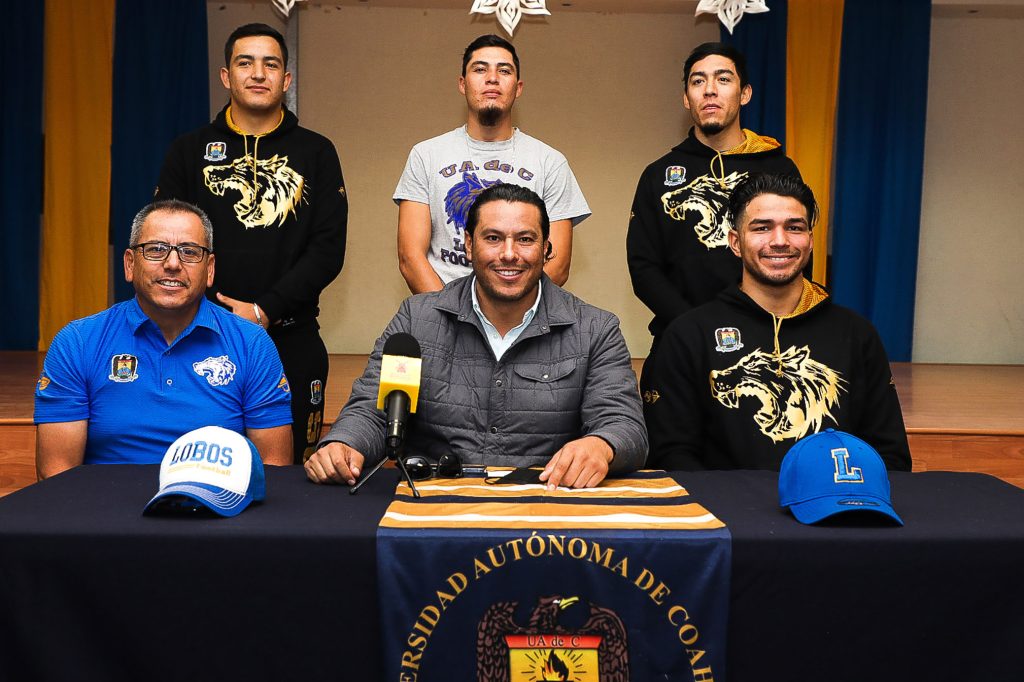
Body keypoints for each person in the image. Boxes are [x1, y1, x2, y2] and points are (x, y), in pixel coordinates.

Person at [306, 185, 646, 490]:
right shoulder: (417, 320)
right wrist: (344, 444)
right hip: (430, 508)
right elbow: (374, 410)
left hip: (547, 508)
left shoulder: (595, 329)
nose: (509, 254)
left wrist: (602, 445)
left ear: (546, 249)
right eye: (493, 238)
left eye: (525, 239)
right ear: (469, 245)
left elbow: (624, 424)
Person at [155, 23, 347, 463]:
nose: (258, 73)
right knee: (198, 464)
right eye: (246, 63)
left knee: (294, 474)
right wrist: (216, 313)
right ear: (226, 76)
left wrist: (264, 310)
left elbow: (327, 249)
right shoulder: (188, 151)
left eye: (270, 64)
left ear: (286, 79)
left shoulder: (317, 152)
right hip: (198, 336)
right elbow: (165, 242)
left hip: (292, 337)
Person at [643, 174, 911, 471]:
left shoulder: (856, 334)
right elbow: (671, 456)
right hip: (721, 501)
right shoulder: (689, 334)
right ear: (735, 242)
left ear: (810, 241)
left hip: (834, 500)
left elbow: (890, 456)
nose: (780, 241)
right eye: (762, 227)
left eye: (794, 227)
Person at [34, 200, 293, 478]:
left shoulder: (252, 344)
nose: (172, 264)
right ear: (130, 264)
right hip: (105, 504)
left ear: (210, 269)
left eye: (189, 252)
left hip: (216, 503)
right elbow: (56, 474)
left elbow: (274, 468)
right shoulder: (77, 343)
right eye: (156, 249)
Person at [627, 42, 801, 347]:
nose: (709, 90)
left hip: (764, 337)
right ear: (686, 98)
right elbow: (644, 268)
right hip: (681, 338)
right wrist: (696, 328)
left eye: (723, 79)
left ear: (744, 93)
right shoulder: (658, 175)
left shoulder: (778, 168)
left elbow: (795, 255)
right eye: (698, 81)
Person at [394, 34, 590, 294]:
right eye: (480, 69)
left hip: (522, 312)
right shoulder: (426, 155)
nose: (492, 78)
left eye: (504, 70)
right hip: (442, 309)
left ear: (518, 87)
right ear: (462, 84)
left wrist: (506, 310)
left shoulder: (550, 162)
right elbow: (410, 258)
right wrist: (449, 311)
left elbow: (558, 264)